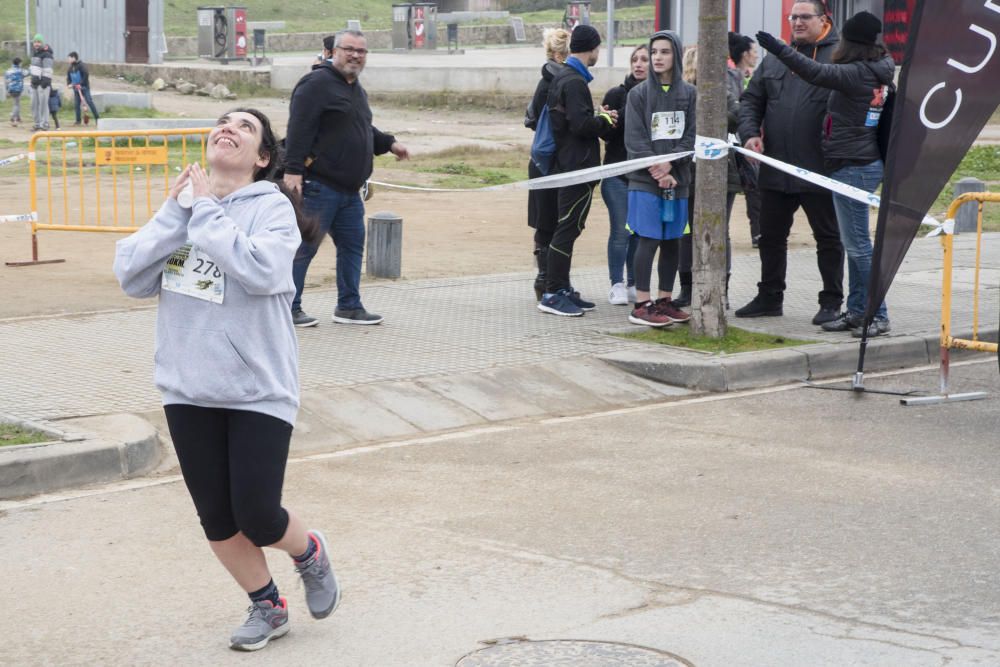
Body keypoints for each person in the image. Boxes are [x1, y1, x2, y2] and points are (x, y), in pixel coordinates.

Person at [113, 108, 338, 652]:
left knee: (258, 515)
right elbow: (131, 275)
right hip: (188, 388)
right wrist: (176, 211)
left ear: (262, 158)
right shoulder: (186, 211)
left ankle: (308, 552)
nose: (228, 127)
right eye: (222, 121)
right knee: (217, 518)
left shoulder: (272, 211)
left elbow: (263, 271)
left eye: (244, 125)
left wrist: (207, 213)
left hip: (258, 388)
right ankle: (268, 605)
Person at [756, 11, 894, 337]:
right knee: (854, 242)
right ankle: (859, 311)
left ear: (850, 42)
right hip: (859, 162)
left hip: (853, 165)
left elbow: (814, 71)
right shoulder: (877, 69)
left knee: (858, 246)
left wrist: (778, 47)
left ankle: (878, 314)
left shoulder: (857, 73)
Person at [284, 30, 410, 327]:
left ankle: (349, 307)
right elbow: (298, 130)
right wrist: (292, 172)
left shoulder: (354, 88)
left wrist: (389, 144)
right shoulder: (315, 85)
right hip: (318, 186)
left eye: (361, 51)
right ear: (334, 51)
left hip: (349, 191)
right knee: (303, 249)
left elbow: (361, 126)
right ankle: (287, 307)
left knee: (352, 247)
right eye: (349, 49)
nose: (355, 55)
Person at [736, 1, 844, 325]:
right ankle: (770, 296)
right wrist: (750, 132)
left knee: (828, 237)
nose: (796, 22)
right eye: (792, 17)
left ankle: (831, 302)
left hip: (820, 168)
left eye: (803, 17)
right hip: (777, 166)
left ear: (823, 19)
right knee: (770, 236)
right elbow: (751, 101)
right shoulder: (775, 59)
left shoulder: (838, 56)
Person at [537, 24, 617, 317]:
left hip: (570, 164)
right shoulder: (573, 82)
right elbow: (580, 125)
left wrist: (595, 116)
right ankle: (553, 292)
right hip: (577, 166)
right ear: (593, 49)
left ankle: (563, 288)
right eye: (598, 49)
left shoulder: (566, 77)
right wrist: (606, 121)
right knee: (566, 229)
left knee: (570, 227)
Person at [623, 30, 695, 327]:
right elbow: (636, 139)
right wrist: (658, 170)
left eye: (664, 52)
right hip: (645, 181)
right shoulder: (637, 95)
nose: (657, 58)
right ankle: (642, 303)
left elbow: (692, 135)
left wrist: (671, 166)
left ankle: (665, 300)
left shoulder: (691, 94)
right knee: (649, 238)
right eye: (654, 52)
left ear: (676, 56)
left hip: (678, 180)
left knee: (673, 241)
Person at [670, 44, 738, 310]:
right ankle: (687, 288)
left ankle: (721, 289)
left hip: (722, 169)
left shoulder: (724, 90)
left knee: (720, 231)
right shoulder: (682, 94)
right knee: (687, 231)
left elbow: (737, 114)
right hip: (688, 170)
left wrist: (712, 119)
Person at [600, 44, 648, 306]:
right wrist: (607, 118)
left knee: (639, 232)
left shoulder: (658, 95)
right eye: (635, 59)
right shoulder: (617, 94)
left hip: (644, 177)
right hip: (616, 174)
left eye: (644, 59)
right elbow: (606, 133)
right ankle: (616, 283)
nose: (639, 64)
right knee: (621, 230)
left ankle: (633, 283)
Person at [525, 27, 569, 302]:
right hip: (547, 161)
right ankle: (545, 278)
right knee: (547, 221)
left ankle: (549, 278)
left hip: (545, 160)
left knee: (548, 221)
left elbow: (529, 118)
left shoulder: (550, 79)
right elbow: (534, 120)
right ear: (557, 54)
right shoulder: (553, 81)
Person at [727, 32, 762, 248]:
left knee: (755, 187)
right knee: (751, 185)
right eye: (754, 52)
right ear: (745, 54)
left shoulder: (749, 76)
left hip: (748, 138)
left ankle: (758, 232)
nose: (756, 56)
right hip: (736, 141)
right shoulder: (731, 77)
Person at [67, 51, 99, 126]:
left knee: (89, 102)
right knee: (76, 104)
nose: (68, 60)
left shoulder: (82, 65)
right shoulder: (70, 68)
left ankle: (98, 119)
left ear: (74, 58)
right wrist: (69, 84)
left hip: (84, 87)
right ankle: (78, 121)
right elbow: (68, 78)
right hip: (76, 89)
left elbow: (86, 75)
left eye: (69, 58)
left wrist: (81, 84)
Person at [28, 34, 53, 131]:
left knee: (43, 105)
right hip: (34, 84)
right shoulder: (35, 53)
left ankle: (45, 124)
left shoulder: (47, 54)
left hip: (43, 85)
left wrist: (44, 84)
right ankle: (37, 123)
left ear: (42, 43)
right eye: (35, 42)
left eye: (38, 42)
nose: (36, 44)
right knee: (33, 105)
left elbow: (48, 70)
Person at [5, 57, 27, 127]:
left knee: (16, 103)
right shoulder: (20, 71)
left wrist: (7, 90)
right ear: (19, 63)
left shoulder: (8, 71)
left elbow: (6, 81)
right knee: (16, 105)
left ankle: (18, 118)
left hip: (10, 89)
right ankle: (14, 119)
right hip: (17, 89)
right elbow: (28, 73)